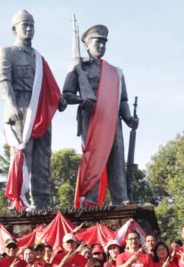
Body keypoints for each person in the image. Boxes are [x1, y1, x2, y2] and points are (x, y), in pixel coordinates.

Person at [63, 24, 137, 207]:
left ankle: (121, 200)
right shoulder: (79, 68)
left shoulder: (115, 73)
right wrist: (81, 101)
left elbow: (123, 100)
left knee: (117, 160)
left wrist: (129, 119)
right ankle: (90, 199)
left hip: (112, 120)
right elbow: (65, 95)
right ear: (87, 45)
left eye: (104, 43)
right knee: (93, 159)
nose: (102, 46)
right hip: (91, 118)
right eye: (98, 42)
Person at [0, 9, 63, 211]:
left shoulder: (39, 58)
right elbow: (2, 79)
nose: (29, 28)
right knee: (23, 154)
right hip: (21, 106)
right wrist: (10, 104)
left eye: (31, 25)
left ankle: (41, 204)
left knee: (43, 157)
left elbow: (49, 85)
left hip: (41, 110)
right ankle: (19, 203)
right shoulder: (7, 52)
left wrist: (59, 100)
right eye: (24, 24)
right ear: (14, 28)